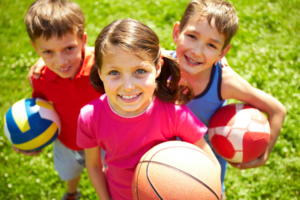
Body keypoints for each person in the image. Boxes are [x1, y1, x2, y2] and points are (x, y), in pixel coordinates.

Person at [76, 18, 221, 200]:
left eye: (140, 71)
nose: (128, 86)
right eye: (114, 73)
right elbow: (94, 166)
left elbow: (210, 161)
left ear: (158, 67)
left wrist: (215, 193)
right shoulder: (90, 117)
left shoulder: (173, 113)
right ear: (100, 73)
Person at [168, 0, 286, 199]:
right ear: (176, 32)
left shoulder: (223, 81)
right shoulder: (158, 67)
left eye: (211, 45)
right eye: (191, 36)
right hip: (162, 158)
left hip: (206, 162)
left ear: (222, 52)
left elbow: (277, 110)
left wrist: (263, 155)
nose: (197, 51)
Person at [13, 0, 102, 199]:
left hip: (103, 142)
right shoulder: (41, 79)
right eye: (48, 52)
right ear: (36, 49)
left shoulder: (102, 67)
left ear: (83, 40)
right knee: (69, 173)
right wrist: (30, 140)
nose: (61, 62)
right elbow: (41, 112)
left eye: (69, 48)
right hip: (66, 143)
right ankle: (72, 193)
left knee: (107, 179)